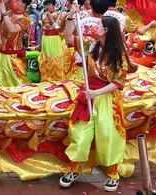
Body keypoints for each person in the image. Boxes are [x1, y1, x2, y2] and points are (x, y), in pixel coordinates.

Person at [60, 17, 131, 191]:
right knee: (80, 134)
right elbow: (68, 37)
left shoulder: (119, 54)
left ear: (106, 30)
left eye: (99, 26)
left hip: (108, 99)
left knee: (108, 136)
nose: (95, 27)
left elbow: (118, 82)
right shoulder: (92, 45)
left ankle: (113, 173)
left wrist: (97, 93)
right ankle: (74, 169)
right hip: (88, 96)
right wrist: (70, 17)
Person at [64, 0, 109, 79]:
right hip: (106, 70)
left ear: (91, 7)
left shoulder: (82, 21)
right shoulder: (110, 23)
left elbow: (69, 37)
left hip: (84, 65)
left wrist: (70, 16)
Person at [0, 0, 32, 86]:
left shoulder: (26, 19)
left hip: (13, 57)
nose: (13, 1)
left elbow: (12, 29)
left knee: (16, 84)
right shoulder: (10, 12)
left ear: (24, 4)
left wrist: (4, 13)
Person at [37, 0, 67, 81]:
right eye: (46, 5)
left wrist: (50, 17)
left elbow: (57, 28)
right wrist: (40, 42)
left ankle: (56, 78)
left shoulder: (58, 14)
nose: (47, 7)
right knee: (45, 59)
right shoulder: (43, 14)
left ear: (54, 5)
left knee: (55, 58)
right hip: (45, 38)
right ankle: (46, 78)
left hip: (55, 38)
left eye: (49, 5)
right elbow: (42, 29)